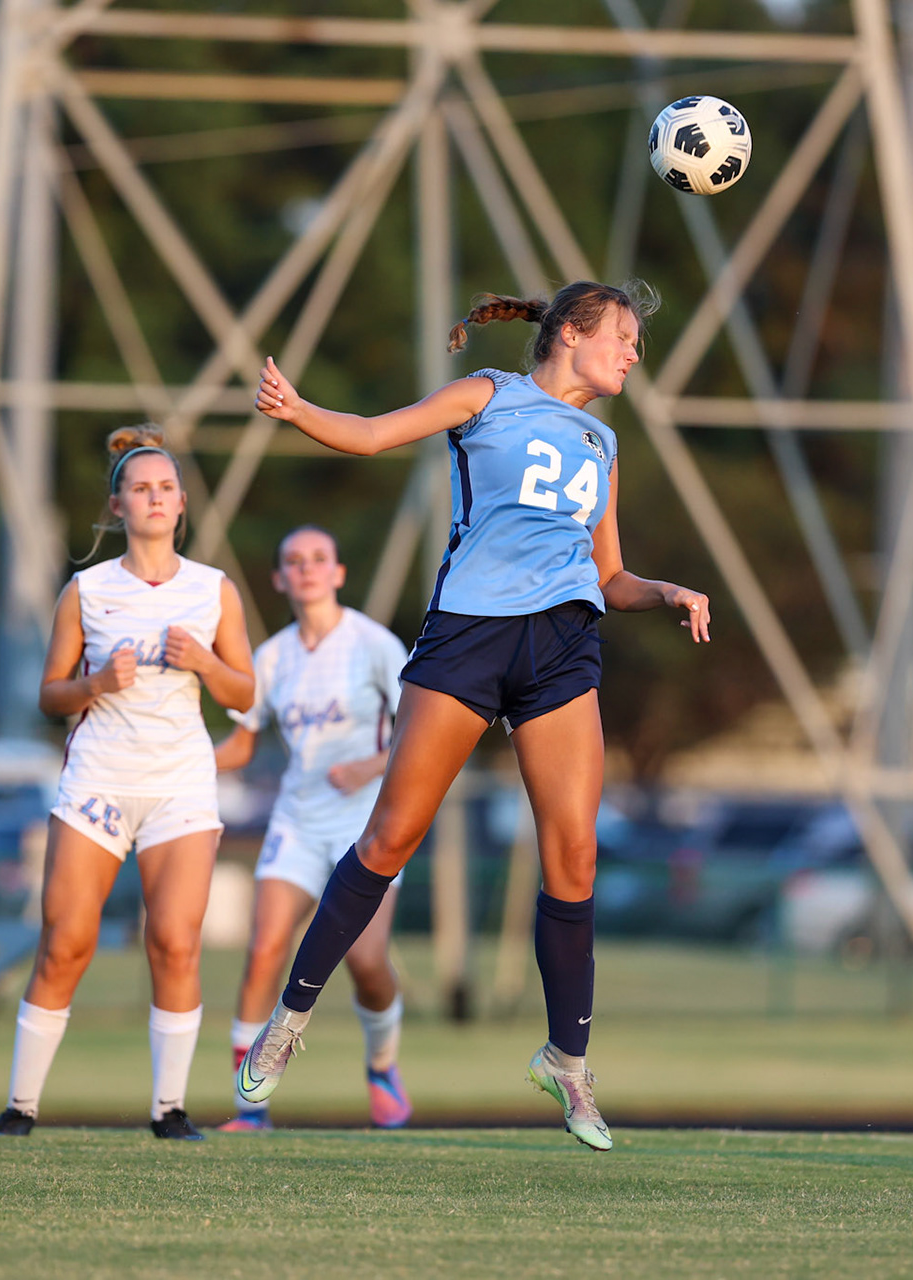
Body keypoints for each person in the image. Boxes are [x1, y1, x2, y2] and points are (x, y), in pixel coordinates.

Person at [236, 281, 712, 1151]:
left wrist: (668, 589)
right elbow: (378, 434)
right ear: (570, 333)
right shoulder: (488, 397)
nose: (634, 354)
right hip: (471, 639)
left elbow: (608, 574)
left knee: (574, 853)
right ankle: (291, 1018)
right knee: (389, 838)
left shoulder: (602, 443)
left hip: (565, 647)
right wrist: (298, 409)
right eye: (624, 337)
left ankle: (566, 1063)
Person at [0, 425, 254, 1142]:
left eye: (167, 487)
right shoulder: (87, 591)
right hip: (98, 781)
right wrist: (96, 683)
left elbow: (243, 693)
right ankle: (21, 1107)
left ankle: (169, 1110)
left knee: (174, 941)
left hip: (180, 785)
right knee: (66, 941)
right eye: (141, 488)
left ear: (182, 502)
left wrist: (203, 662)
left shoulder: (213, 590)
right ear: (117, 507)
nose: (156, 498)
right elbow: (49, 695)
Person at [214, 525, 412, 1132]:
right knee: (265, 949)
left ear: (338, 573)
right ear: (278, 578)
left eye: (318, 558)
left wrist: (371, 766)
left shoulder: (374, 644)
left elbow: (424, 733)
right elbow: (241, 745)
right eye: (292, 560)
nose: (306, 569)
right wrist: (172, 754)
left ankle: (382, 1067)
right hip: (297, 823)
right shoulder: (270, 657)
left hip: (367, 825)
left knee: (367, 961)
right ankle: (251, 1108)